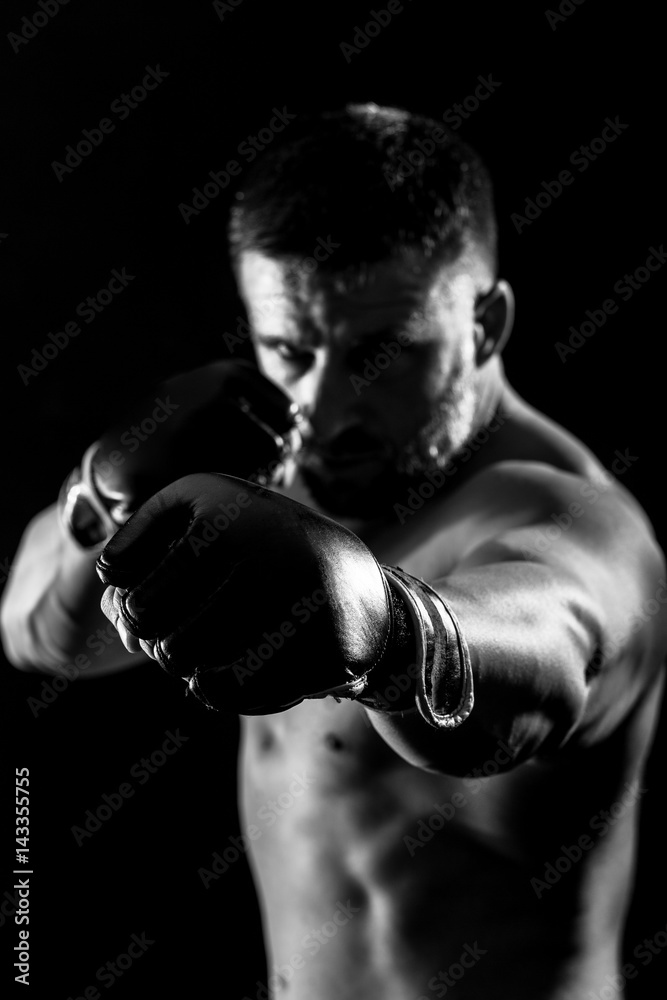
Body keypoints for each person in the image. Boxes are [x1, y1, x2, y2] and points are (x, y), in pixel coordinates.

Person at [2, 103, 665, 1000]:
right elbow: (44, 640)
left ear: (485, 325)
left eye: (382, 354)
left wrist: (393, 633)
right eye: (289, 347)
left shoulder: (573, 519)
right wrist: (99, 494)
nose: (326, 406)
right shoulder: (272, 460)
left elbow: (546, 656)